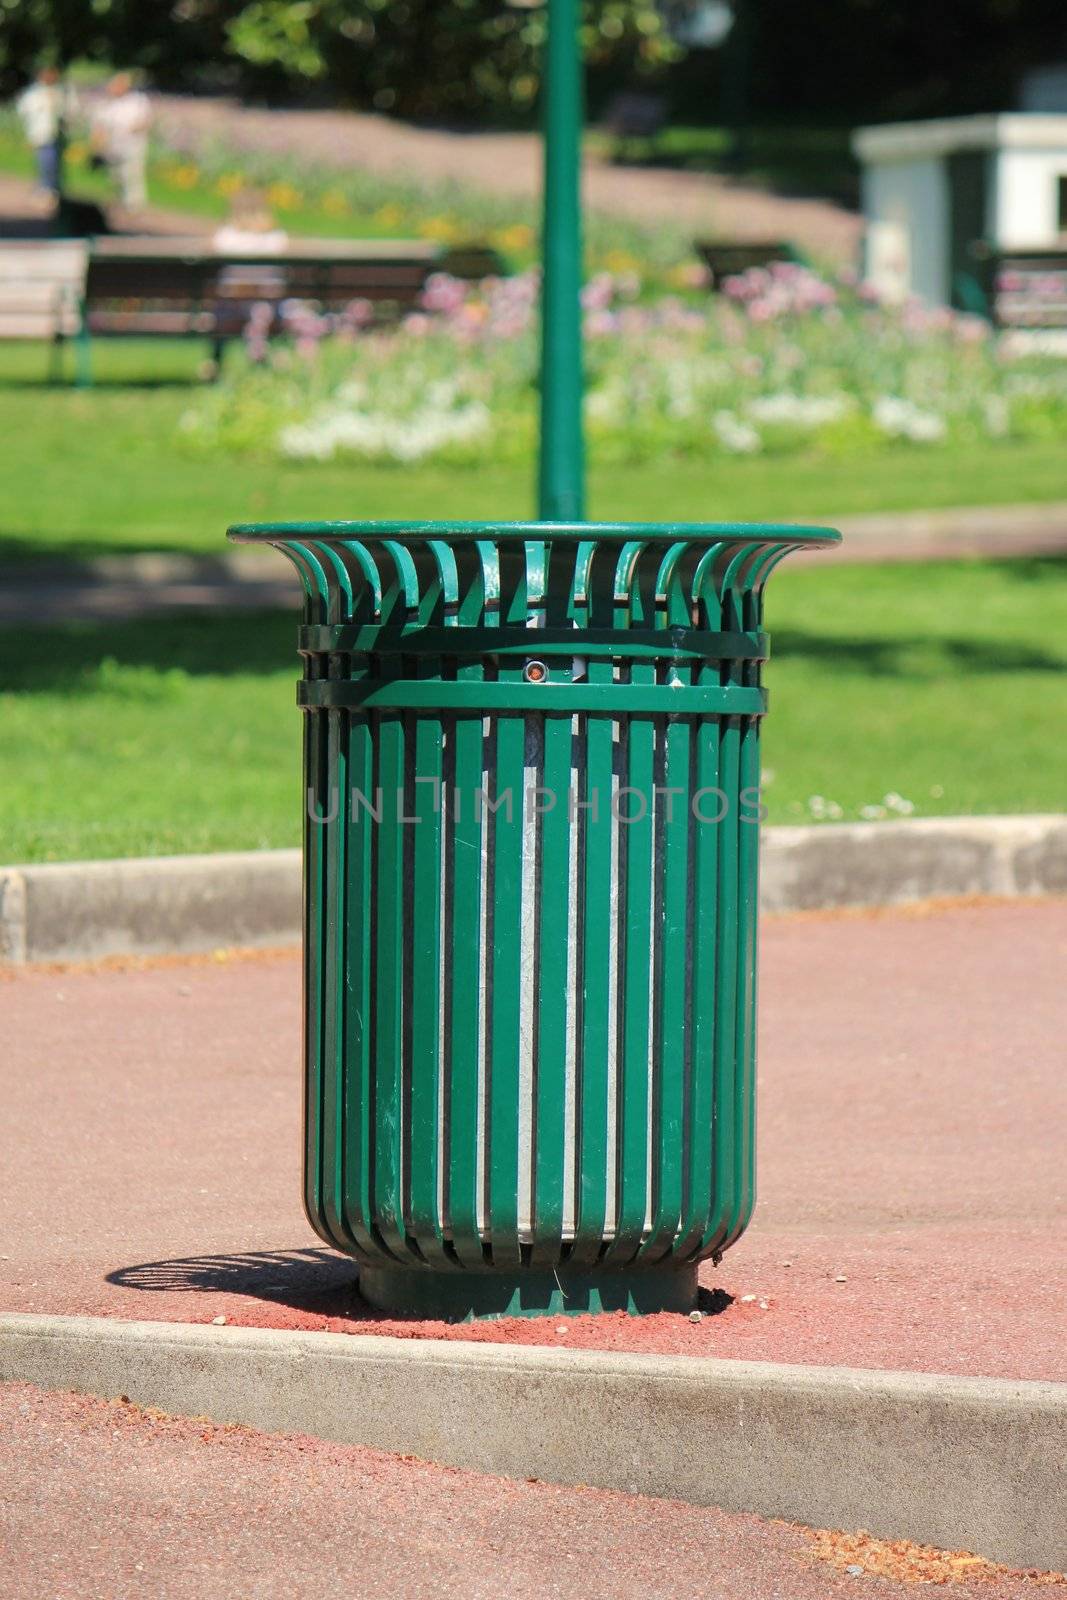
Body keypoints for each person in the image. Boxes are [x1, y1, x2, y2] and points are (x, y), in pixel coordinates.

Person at [91, 72, 151, 211]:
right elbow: (100, 126)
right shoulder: (108, 104)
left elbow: (145, 121)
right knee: (115, 175)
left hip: (133, 144)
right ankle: (120, 200)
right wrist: (97, 145)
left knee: (132, 173)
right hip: (114, 145)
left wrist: (132, 130)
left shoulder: (137, 101)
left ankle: (135, 204)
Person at [16, 66, 76, 198]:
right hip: (40, 133)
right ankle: (45, 186)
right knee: (45, 161)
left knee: (55, 162)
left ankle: (53, 187)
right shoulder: (33, 94)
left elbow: (71, 111)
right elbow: (24, 111)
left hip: (58, 133)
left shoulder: (62, 92)